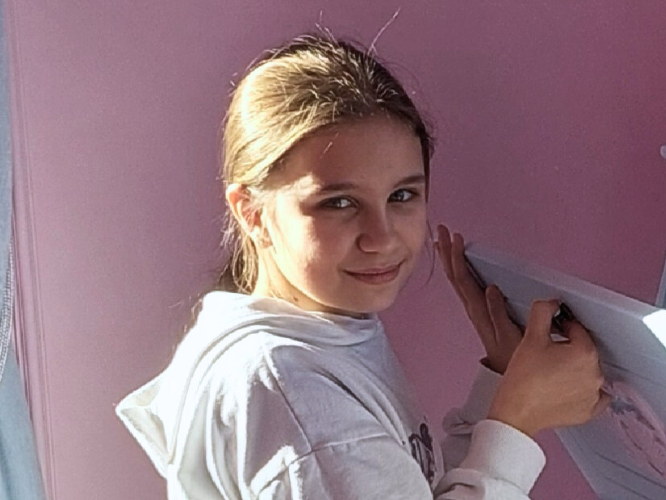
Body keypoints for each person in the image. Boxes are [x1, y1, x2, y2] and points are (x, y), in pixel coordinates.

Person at [115, 31, 609, 499]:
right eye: (338, 203)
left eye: (402, 196)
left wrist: (503, 382)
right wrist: (517, 421)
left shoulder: (313, 344)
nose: (381, 237)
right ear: (252, 213)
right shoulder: (290, 386)